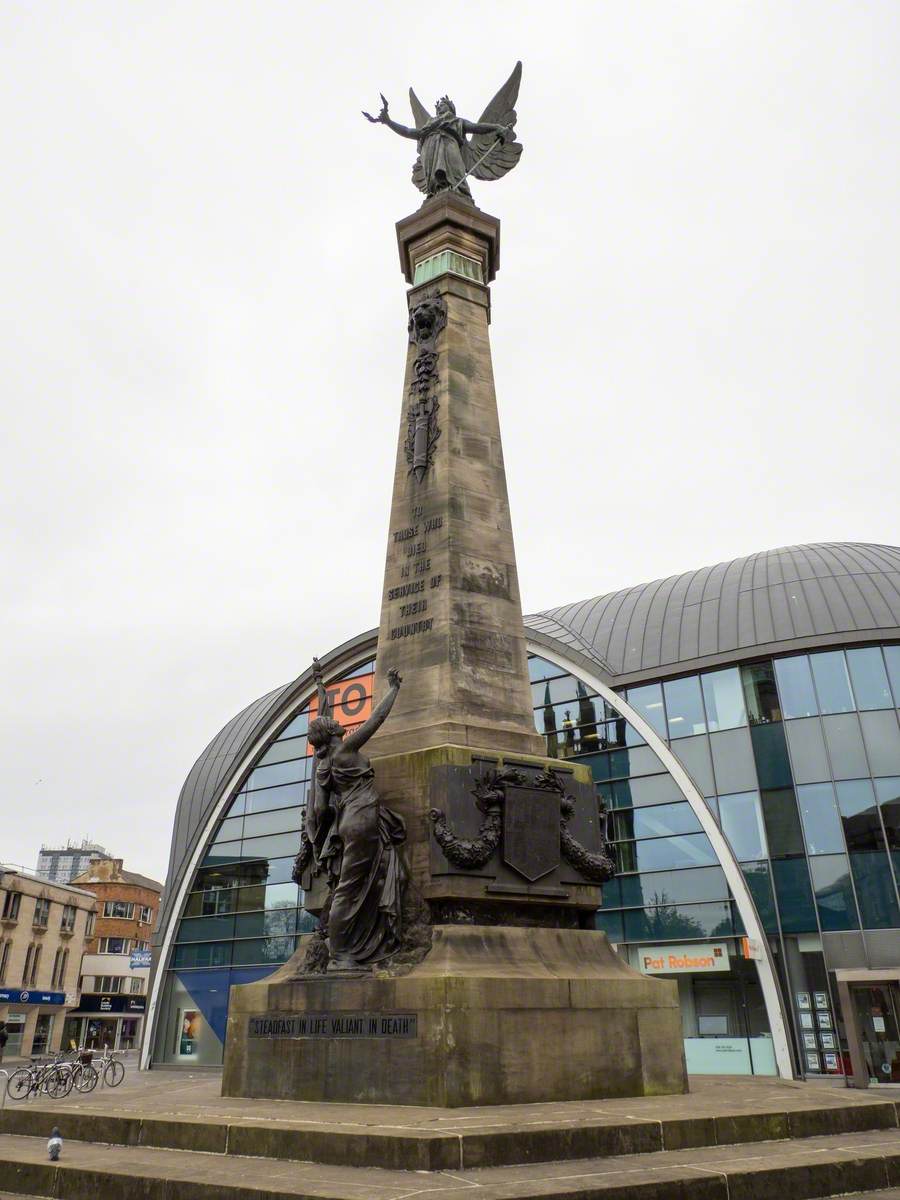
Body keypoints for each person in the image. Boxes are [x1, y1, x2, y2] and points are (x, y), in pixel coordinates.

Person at [305, 663, 406, 970]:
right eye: (332, 722)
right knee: (351, 888)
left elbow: (320, 810)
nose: (338, 722)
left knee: (353, 885)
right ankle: (341, 954)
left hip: (349, 820)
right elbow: (376, 719)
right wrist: (393, 689)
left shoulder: (323, 766)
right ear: (332, 732)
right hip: (363, 819)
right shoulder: (345, 750)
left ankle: (346, 947)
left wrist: (334, 811)